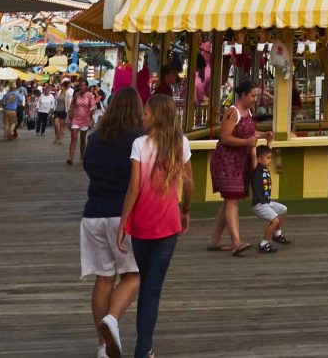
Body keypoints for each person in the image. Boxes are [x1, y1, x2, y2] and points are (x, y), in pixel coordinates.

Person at [120, 93, 192, 358]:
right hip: (168, 225)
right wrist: (186, 210)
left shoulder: (140, 144)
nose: (143, 117)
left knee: (144, 284)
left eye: (147, 113)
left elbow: (134, 188)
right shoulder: (180, 144)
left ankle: (144, 344)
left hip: (141, 225)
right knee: (152, 288)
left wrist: (123, 223)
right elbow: (190, 183)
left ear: (157, 115)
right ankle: (144, 348)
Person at [80, 87, 144, 358]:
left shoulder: (95, 139)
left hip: (93, 213)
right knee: (134, 275)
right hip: (124, 214)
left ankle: (103, 346)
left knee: (103, 279)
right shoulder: (139, 139)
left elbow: (88, 168)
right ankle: (112, 319)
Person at [209, 77, 259, 255]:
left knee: (230, 200)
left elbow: (250, 132)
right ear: (243, 95)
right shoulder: (233, 112)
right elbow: (225, 137)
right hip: (227, 161)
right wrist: (247, 141)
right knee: (232, 200)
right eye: (252, 96)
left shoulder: (248, 112)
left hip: (239, 162)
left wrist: (262, 135)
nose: (254, 99)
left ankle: (215, 239)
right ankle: (236, 241)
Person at [249, 143, 291, 253]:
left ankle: (277, 235)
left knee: (283, 210)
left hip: (267, 202)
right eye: (268, 158)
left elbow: (266, 151)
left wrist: (268, 141)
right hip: (259, 204)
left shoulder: (264, 168)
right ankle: (264, 243)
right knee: (274, 221)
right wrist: (253, 144)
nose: (270, 161)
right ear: (258, 159)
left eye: (270, 158)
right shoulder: (256, 169)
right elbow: (254, 155)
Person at [67, 79, 98, 168]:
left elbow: (93, 105)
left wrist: (91, 110)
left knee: (82, 139)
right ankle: (71, 158)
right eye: (81, 85)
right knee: (73, 138)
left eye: (84, 85)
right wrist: (70, 117)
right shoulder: (77, 95)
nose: (82, 87)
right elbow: (72, 105)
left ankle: (82, 156)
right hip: (76, 118)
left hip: (85, 119)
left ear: (87, 86)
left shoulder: (89, 95)